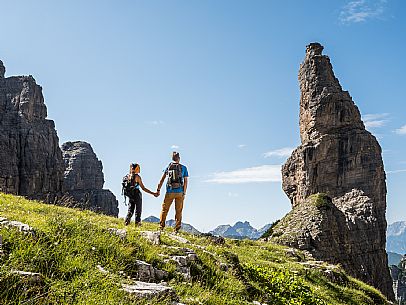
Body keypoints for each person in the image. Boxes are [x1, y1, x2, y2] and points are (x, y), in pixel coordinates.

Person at [156, 152, 189, 232]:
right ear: (179, 158)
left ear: (172, 158)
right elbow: (185, 182)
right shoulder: (183, 168)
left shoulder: (169, 166)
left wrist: (158, 189)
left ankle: (161, 227)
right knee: (178, 211)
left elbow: (162, 179)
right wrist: (184, 193)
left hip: (169, 191)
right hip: (180, 192)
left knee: (165, 209)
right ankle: (176, 229)